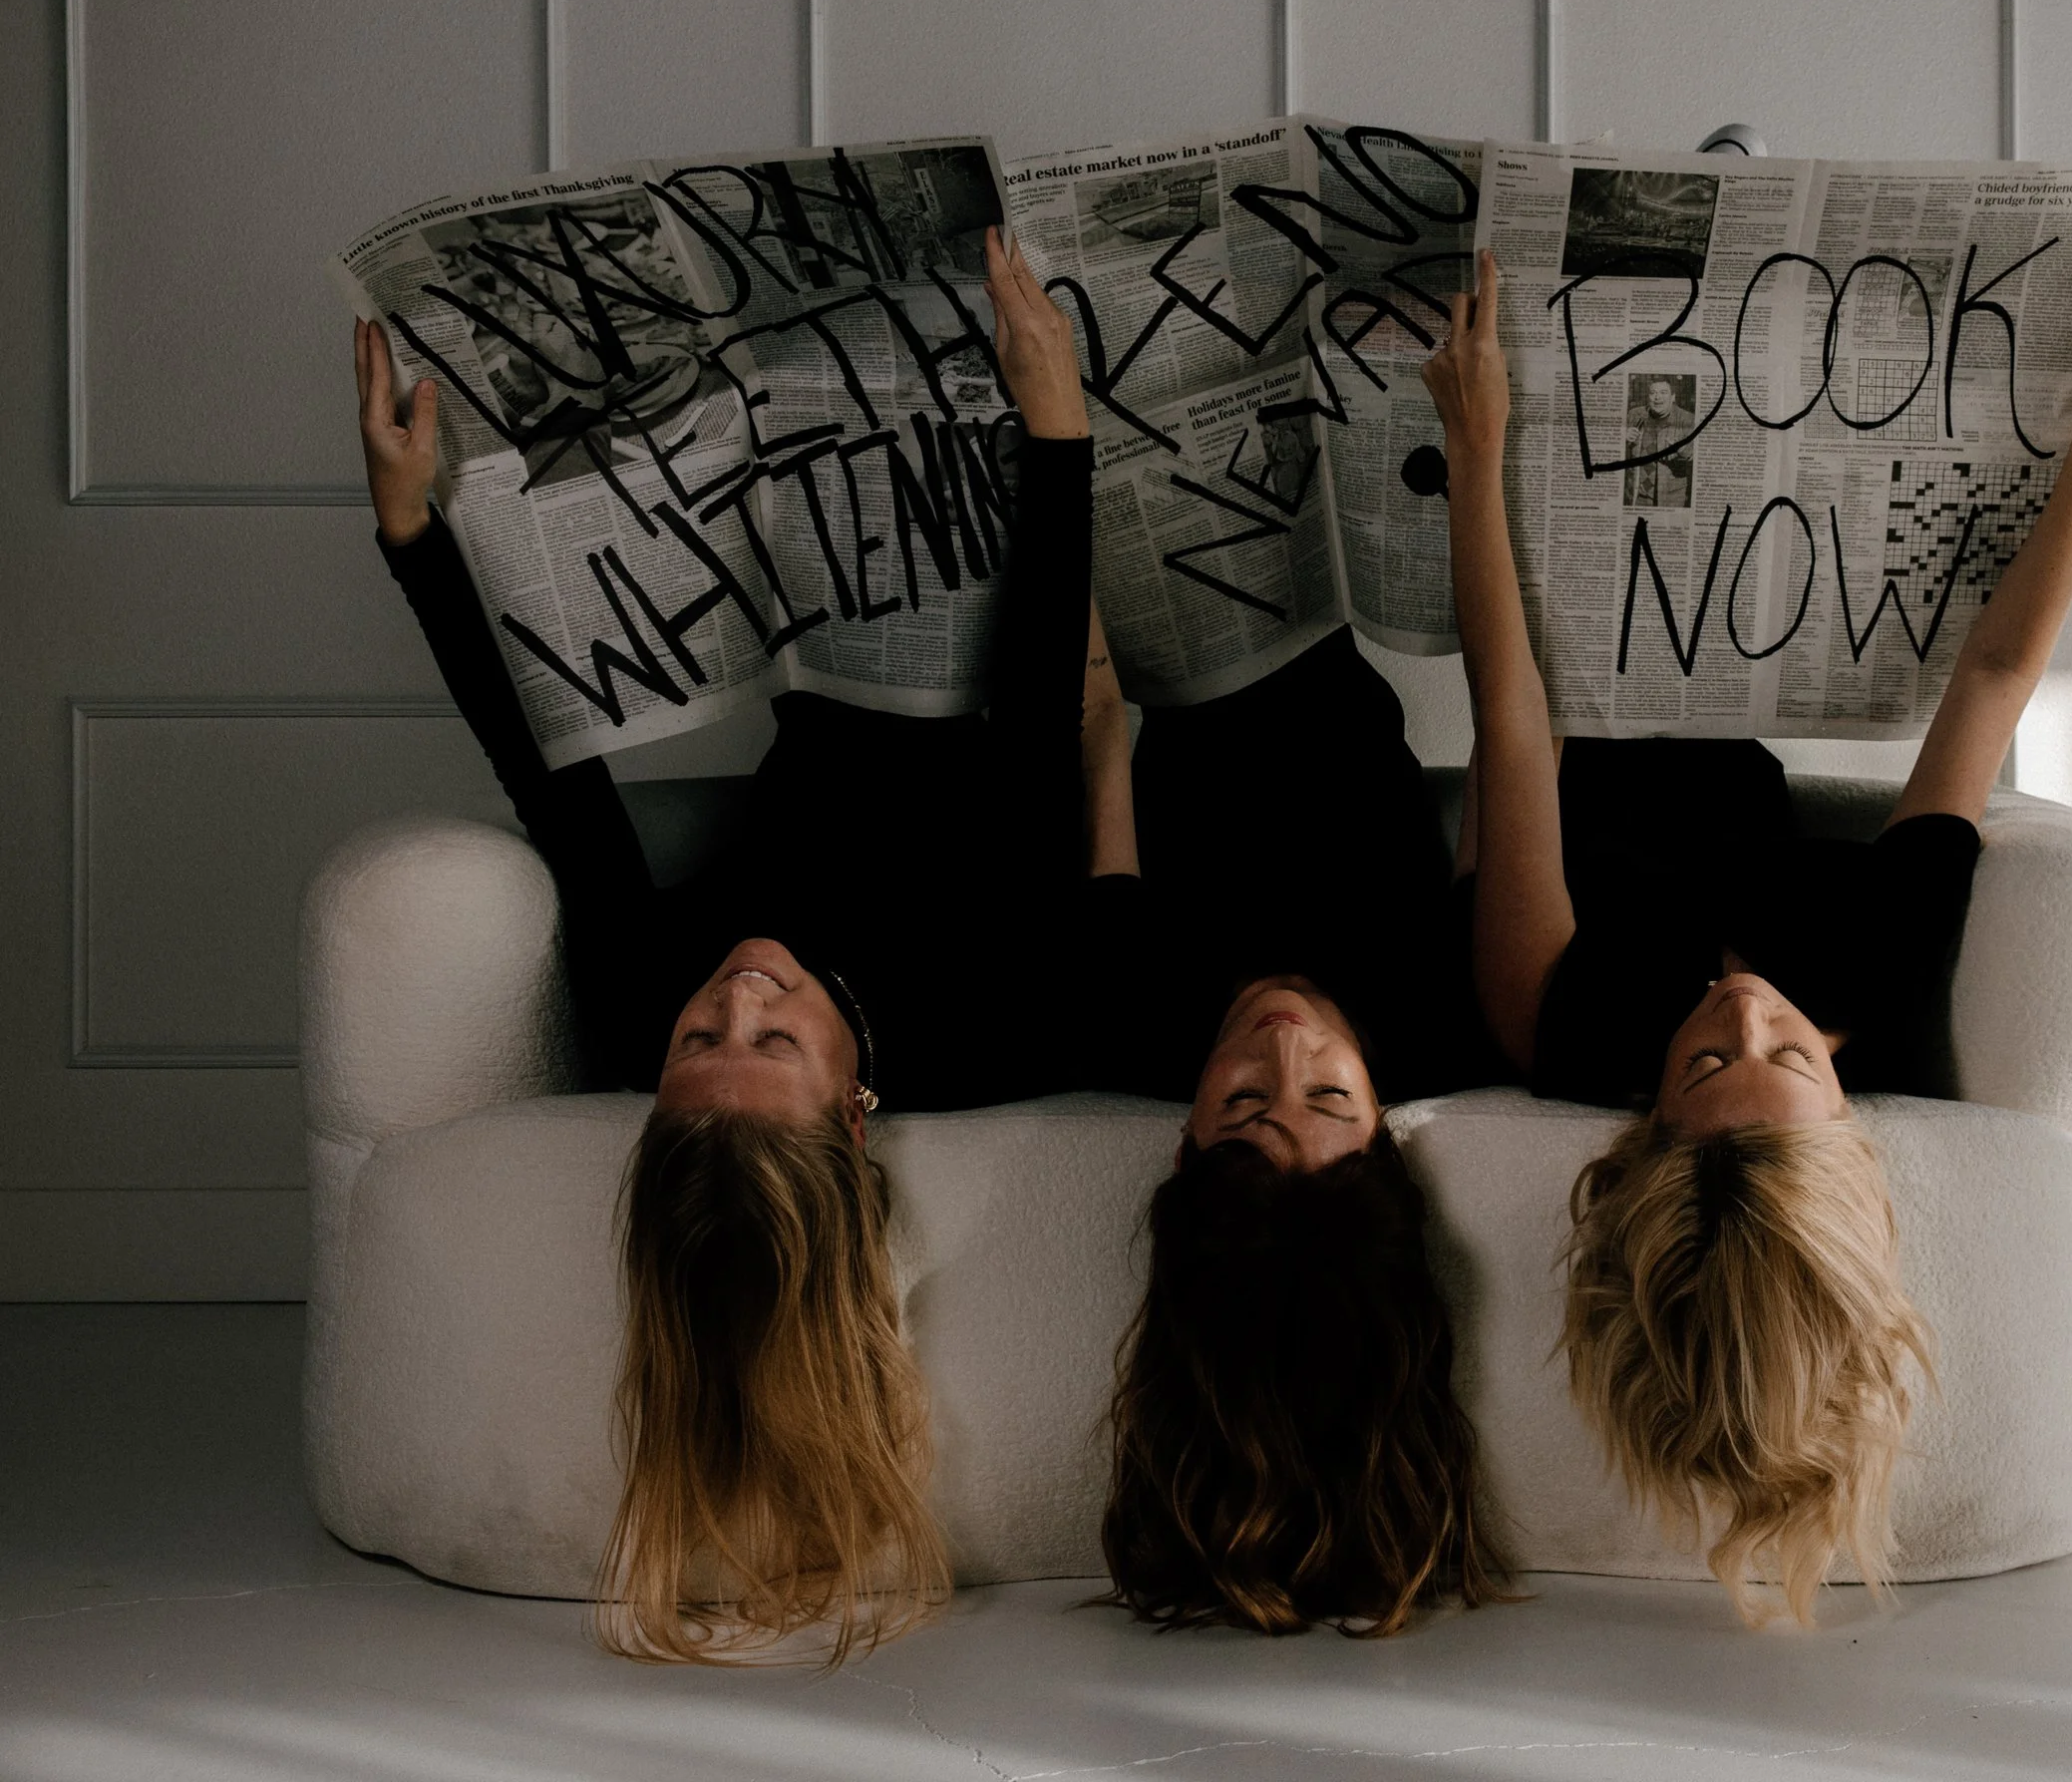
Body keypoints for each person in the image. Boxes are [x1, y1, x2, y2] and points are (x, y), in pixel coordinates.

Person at [353, 230, 1110, 1665]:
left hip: (810, 614)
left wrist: (410, 535)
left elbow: (554, 784)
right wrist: (1056, 433)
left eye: (702, 1041)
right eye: (771, 1042)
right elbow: (1033, 744)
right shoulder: (980, 1016)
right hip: (1012, 577)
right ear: (854, 1107)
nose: (738, 992)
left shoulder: (651, 989)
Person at [1425, 247, 2072, 1625]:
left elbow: (1510, 719)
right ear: (1849, 1095)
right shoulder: (1880, 976)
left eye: (1708, 1063)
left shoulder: (1560, 1018)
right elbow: (1993, 682)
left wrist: (1478, 452)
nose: (1746, 1007)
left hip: (1570, 618)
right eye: (1790, 1056)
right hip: (1735, 597)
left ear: (1647, 1116)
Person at [1072, 489, 1505, 1635]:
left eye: (1245, 1104)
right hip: (1336, 577)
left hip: (1153, 601)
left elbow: (1100, 728)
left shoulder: (1130, 1015)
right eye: (1325, 1094)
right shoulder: (1439, 1016)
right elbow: (1503, 760)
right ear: (1384, 1128)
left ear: (1185, 1136)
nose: (1282, 1039)